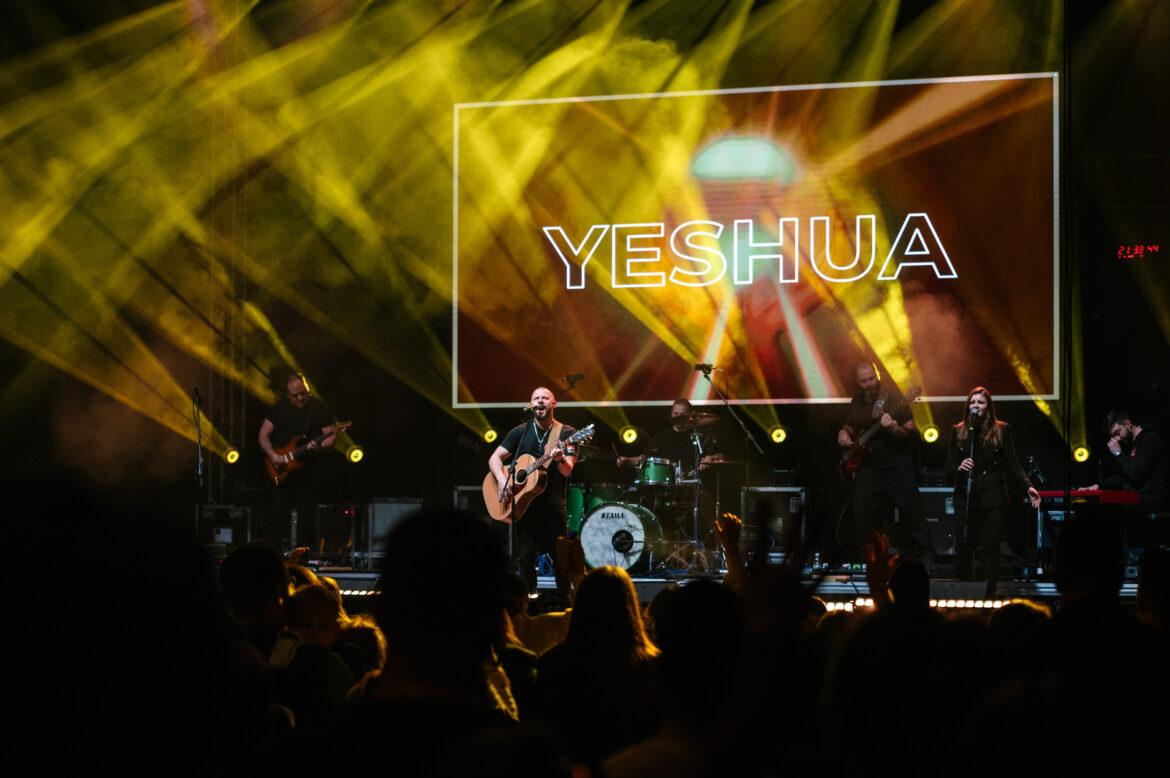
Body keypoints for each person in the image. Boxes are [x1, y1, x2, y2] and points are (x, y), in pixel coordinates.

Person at [945, 387, 1041, 596]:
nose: (976, 406)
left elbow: (1012, 463)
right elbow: (949, 469)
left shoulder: (1001, 430)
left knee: (990, 552)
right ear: (967, 407)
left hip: (992, 496)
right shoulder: (958, 431)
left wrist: (1028, 486)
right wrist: (959, 468)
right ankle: (960, 598)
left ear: (988, 407)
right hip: (965, 496)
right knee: (963, 550)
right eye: (972, 402)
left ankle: (988, 597)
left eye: (980, 402)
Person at [836, 362, 932, 561]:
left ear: (877, 376)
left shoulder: (894, 396)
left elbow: (911, 431)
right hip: (868, 468)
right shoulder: (857, 401)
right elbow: (851, 425)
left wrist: (894, 429)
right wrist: (843, 432)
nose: (869, 384)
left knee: (913, 513)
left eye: (871, 379)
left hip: (897, 466)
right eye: (864, 381)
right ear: (858, 383)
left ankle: (926, 558)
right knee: (861, 517)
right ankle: (864, 561)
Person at [488, 387, 578, 593]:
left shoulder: (567, 433)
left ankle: (565, 598)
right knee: (526, 557)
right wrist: (502, 480)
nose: (540, 401)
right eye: (536, 398)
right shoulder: (520, 431)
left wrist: (559, 458)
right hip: (525, 504)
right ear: (531, 405)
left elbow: (567, 470)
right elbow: (494, 458)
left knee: (561, 558)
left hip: (554, 505)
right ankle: (528, 599)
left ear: (553, 404)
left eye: (545, 398)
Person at [257, 373, 338, 543]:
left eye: (303, 393)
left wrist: (321, 446)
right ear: (288, 395)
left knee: (306, 514)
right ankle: (274, 552)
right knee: (277, 512)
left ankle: (302, 555)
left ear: (308, 390)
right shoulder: (278, 408)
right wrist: (272, 455)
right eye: (295, 396)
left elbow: (330, 436)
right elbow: (263, 435)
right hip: (281, 469)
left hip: (309, 470)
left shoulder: (319, 408)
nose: (300, 398)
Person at [1082, 410, 1168, 512]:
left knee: (1111, 507)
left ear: (1128, 423)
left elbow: (1135, 474)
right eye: (1113, 436)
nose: (1117, 439)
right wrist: (1098, 486)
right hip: (1136, 498)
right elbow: (1123, 476)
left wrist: (1118, 454)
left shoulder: (1150, 440)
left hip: (1152, 499)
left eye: (1117, 433)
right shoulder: (1132, 444)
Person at [616, 399, 722, 476]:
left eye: (683, 414)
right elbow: (644, 459)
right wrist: (627, 460)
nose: (679, 417)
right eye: (676, 414)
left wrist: (710, 458)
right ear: (671, 414)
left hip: (695, 486)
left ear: (691, 415)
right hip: (668, 488)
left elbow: (720, 457)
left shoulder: (700, 436)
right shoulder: (661, 437)